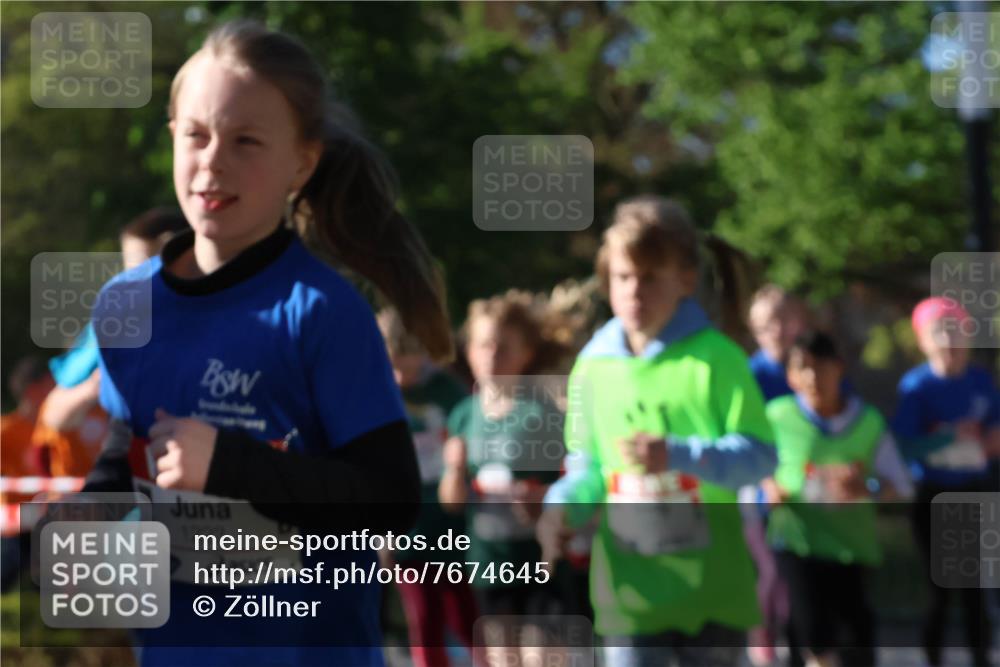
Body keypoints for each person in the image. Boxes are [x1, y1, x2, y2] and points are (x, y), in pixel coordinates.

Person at [84, 19, 450, 667]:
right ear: (173, 138)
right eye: (195, 135)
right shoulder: (126, 303)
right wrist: (45, 539)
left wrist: (230, 464)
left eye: (246, 140)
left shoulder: (323, 312)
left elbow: (390, 498)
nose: (213, 159)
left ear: (301, 162)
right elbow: (126, 458)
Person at [537, 196, 777, 667]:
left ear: (685, 279)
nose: (635, 292)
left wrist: (678, 455)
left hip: (713, 595)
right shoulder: (591, 367)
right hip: (631, 598)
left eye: (650, 277)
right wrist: (560, 509)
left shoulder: (718, 359)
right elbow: (588, 468)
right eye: (624, 277)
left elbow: (761, 457)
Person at [761, 331, 913, 667]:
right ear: (790, 376)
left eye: (822, 367)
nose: (814, 377)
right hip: (797, 542)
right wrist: (769, 489)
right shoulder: (776, 416)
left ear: (839, 369)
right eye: (803, 367)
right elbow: (755, 470)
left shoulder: (868, 422)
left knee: (858, 641)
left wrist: (867, 486)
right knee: (811, 633)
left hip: (851, 548)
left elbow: (901, 485)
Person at [439, 291, 570, 667]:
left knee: (540, 659)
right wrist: (453, 470)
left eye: (503, 346)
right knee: (501, 660)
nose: (491, 355)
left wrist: (542, 498)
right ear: (468, 351)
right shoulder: (463, 414)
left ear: (526, 353)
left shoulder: (542, 411)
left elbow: (574, 481)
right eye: (483, 345)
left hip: (539, 560)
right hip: (488, 561)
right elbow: (452, 503)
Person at [34, 208, 188, 478]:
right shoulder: (115, 320)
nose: (130, 276)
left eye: (140, 264)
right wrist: (97, 384)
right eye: (129, 265)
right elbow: (54, 415)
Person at [892, 297, 999, 667]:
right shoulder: (916, 386)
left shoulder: (980, 380)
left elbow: (995, 427)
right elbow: (904, 445)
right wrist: (948, 435)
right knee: (939, 590)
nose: (951, 341)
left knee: (976, 590)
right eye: (941, 332)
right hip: (934, 494)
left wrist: (989, 440)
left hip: (973, 490)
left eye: (957, 331)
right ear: (923, 340)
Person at [376, 307, 477, 667]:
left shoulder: (448, 391)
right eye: (391, 364)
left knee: (469, 622)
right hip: (405, 530)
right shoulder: (374, 392)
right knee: (424, 624)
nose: (400, 375)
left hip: (452, 525)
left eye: (406, 362)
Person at [1, 357, 54, 591]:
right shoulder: (6, 430)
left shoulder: (54, 430)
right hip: (13, 529)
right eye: (50, 386)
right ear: (33, 390)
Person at [748, 285, 808, 402]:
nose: (777, 332)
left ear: (801, 320)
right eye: (766, 326)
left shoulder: (821, 368)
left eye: (785, 321)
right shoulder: (750, 376)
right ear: (753, 331)